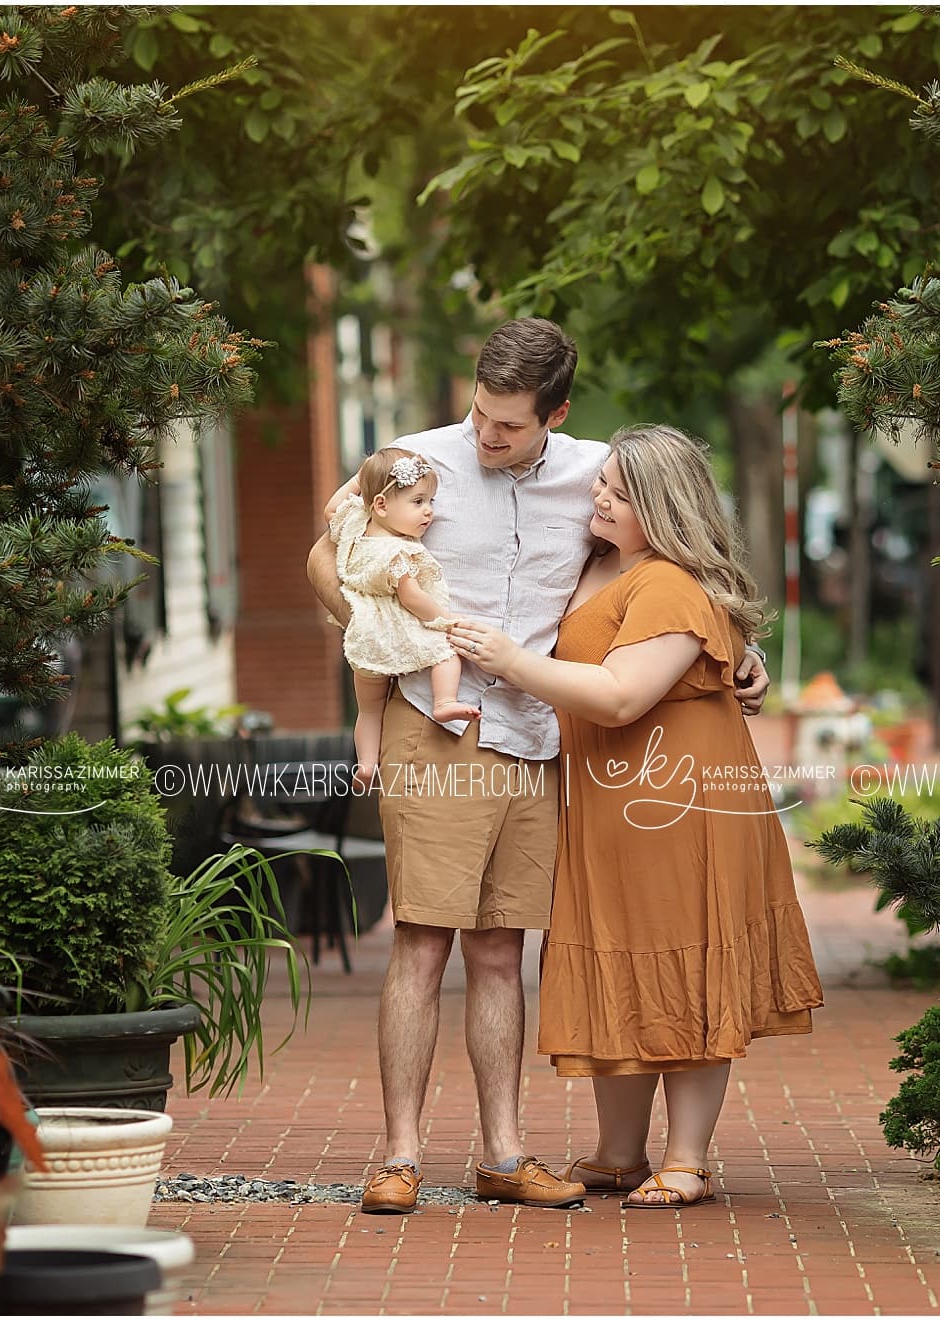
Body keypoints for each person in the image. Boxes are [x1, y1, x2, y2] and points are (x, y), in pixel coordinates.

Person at [305, 318, 772, 1215]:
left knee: (497, 949)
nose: (488, 437)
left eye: (510, 425)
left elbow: (674, 558)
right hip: (435, 725)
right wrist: (383, 632)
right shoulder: (409, 461)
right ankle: (399, 1154)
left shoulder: (598, 477)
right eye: (480, 414)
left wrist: (743, 650)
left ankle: (504, 1154)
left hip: (542, 737)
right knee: (422, 937)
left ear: (556, 412)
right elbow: (329, 556)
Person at [447, 423, 823, 1210]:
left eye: (618, 491)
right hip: (611, 805)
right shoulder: (605, 564)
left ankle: (687, 1159)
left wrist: (512, 661)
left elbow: (621, 694)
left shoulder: (669, 584)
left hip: (677, 811)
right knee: (619, 955)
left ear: (663, 504)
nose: (599, 496)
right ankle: (619, 1151)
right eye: (602, 483)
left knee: (682, 961)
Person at [325, 448, 480, 790]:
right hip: (398, 629)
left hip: (364, 634)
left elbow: (331, 507)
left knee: (369, 709)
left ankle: (366, 765)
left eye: (431, 502)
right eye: (418, 502)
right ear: (381, 505)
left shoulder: (355, 528)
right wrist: (447, 619)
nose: (429, 512)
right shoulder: (398, 552)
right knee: (446, 652)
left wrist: (361, 477)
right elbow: (412, 598)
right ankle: (444, 702)